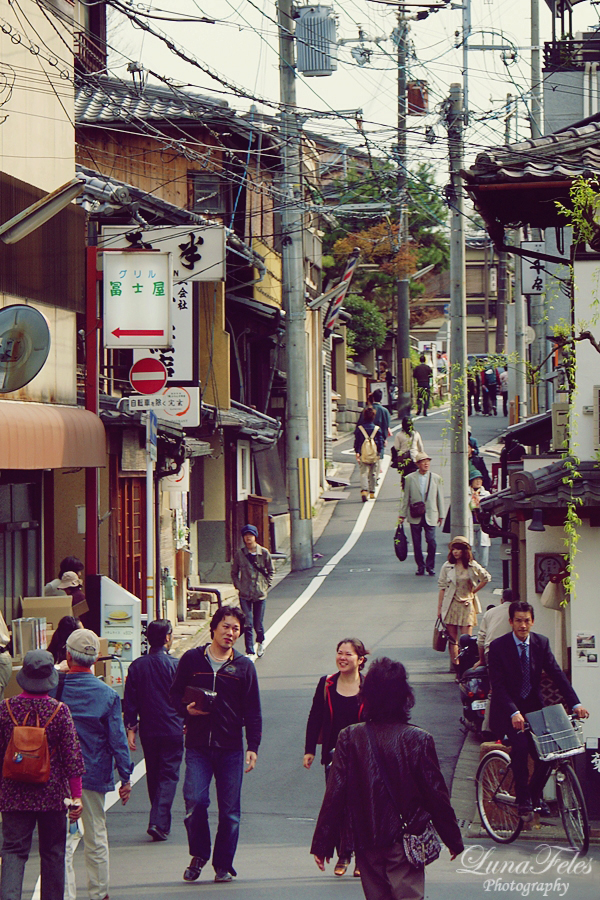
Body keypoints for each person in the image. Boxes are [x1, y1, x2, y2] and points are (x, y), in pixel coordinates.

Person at [310, 658, 464, 900]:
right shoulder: (418, 739)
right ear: (405, 696)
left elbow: (335, 794)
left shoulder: (350, 737)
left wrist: (323, 843)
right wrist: (452, 838)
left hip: (366, 840)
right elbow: (436, 795)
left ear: (367, 696)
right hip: (404, 840)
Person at [170, 605, 262, 885]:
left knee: (230, 811)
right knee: (195, 801)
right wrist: (187, 710)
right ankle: (199, 854)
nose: (230, 633)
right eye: (226, 627)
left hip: (231, 748)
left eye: (236, 629)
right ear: (214, 628)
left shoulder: (244, 666)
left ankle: (223, 864)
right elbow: (174, 696)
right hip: (197, 745)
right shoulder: (191, 659)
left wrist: (253, 746)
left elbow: (254, 710)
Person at [488, 601, 589, 819]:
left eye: (526, 620)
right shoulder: (498, 647)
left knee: (547, 755)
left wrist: (576, 703)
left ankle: (534, 796)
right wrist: (514, 712)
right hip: (508, 710)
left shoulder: (540, 643)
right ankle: (524, 801)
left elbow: (557, 675)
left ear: (532, 621)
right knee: (522, 747)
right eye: (518, 621)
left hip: (533, 709)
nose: (522, 625)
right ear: (511, 622)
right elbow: (498, 686)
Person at [52, 629, 133, 900]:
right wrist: (126, 776)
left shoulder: (55, 687)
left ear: (67, 655)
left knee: (61, 841)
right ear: (95, 659)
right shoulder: (107, 695)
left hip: (57, 775)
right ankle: (99, 894)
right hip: (93, 772)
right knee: (95, 834)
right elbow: (117, 739)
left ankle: (65, 895)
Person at [0, 650, 85, 900]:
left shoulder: (5, 709)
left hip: (13, 793)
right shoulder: (60, 711)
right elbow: (72, 757)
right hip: (52, 795)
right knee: (53, 852)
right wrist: (76, 796)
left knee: (13, 851)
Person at [303, 638, 369, 878]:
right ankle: (344, 854)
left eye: (348, 654)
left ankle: (362, 856)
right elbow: (315, 716)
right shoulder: (327, 684)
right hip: (334, 756)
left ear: (360, 660)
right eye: (339, 653)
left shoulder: (369, 685)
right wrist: (310, 749)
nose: (342, 657)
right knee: (338, 806)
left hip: (364, 756)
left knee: (361, 807)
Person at [124, 619, 184, 842]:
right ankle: (158, 821)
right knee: (169, 775)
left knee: (154, 774)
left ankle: (160, 821)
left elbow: (130, 701)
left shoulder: (137, 666)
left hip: (149, 729)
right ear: (168, 638)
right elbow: (186, 697)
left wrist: (131, 728)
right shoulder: (177, 665)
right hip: (173, 727)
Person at [437, 536, 491, 677]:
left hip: (467, 604)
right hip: (451, 604)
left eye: (458, 549)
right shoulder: (447, 566)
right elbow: (442, 587)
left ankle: (466, 667)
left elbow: (486, 577)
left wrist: (474, 591)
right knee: (452, 640)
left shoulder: (472, 565)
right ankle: (458, 670)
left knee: (466, 639)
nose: (455, 552)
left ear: (464, 551)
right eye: (453, 549)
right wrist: (439, 609)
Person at [231, 524, 274, 658]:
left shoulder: (264, 553)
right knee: (247, 623)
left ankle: (260, 641)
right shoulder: (240, 554)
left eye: (251, 535)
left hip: (260, 594)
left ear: (255, 536)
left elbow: (271, 570)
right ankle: (249, 650)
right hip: (245, 594)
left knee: (258, 624)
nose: (248, 538)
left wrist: (266, 584)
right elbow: (234, 573)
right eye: (246, 535)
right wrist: (239, 586)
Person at [398, 453, 444, 576]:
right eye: (423, 462)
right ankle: (420, 566)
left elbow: (440, 497)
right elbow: (406, 498)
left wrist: (441, 514)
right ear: (418, 464)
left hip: (431, 514)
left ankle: (430, 566)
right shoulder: (409, 478)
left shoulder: (435, 478)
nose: (426, 464)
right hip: (415, 514)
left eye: (427, 461)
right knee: (417, 543)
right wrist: (402, 515)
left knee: (432, 541)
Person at [475, 588, 513, 667]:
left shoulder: (490, 612)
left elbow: (481, 639)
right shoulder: (518, 612)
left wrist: (482, 660)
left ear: (501, 600)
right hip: (512, 652)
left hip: (491, 652)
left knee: (495, 677)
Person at [354, 407, 385, 501]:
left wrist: (357, 452)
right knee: (373, 473)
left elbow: (357, 442)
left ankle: (364, 490)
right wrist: (379, 452)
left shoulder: (360, 429)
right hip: (373, 454)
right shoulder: (377, 429)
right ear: (373, 417)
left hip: (364, 453)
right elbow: (380, 441)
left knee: (363, 472)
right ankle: (372, 492)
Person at [391, 417, 424, 485]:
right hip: (414, 457)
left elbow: (397, 447)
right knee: (415, 475)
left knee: (404, 475)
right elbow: (420, 447)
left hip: (403, 458)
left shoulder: (399, 435)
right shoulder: (416, 434)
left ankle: (405, 489)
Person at [469, 471, 491, 568]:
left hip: (482, 524)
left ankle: (482, 570)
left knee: (484, 547)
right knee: (471, 548)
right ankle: (472, 569)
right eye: (475, 479)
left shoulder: (486, 494)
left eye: (480, 479)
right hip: (470, 523)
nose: (478, 481)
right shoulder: (466, 493)